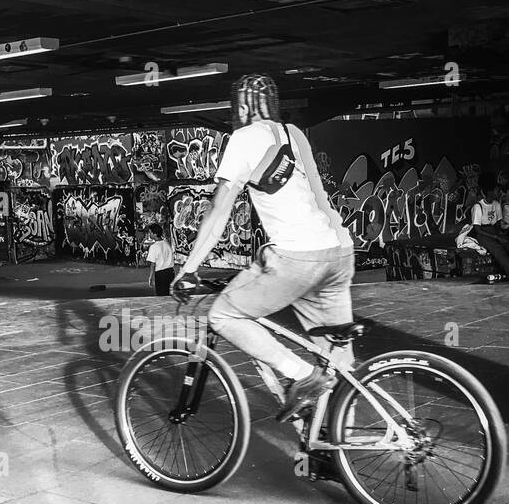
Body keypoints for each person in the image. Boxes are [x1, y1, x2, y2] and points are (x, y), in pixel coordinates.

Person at [173, 73, 354, 422]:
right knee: (337, 359)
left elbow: (219, 208)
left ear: (240, 107)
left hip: (300, 259)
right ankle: (334, 447)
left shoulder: (244, 137)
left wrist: (189, 267)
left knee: (223, 314)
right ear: (274, 104)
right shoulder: (295, 134)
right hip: (340, 253)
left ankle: (300, 376)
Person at [144, 223, 175, 295]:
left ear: (155, 234)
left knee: (161, 294)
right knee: (169, 294)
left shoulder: (154, 247)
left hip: (161, 274)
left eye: (150, 232)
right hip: (170, 272)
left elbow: (152, 264)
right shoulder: (166, 243)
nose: (149, 234)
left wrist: (151, 277)